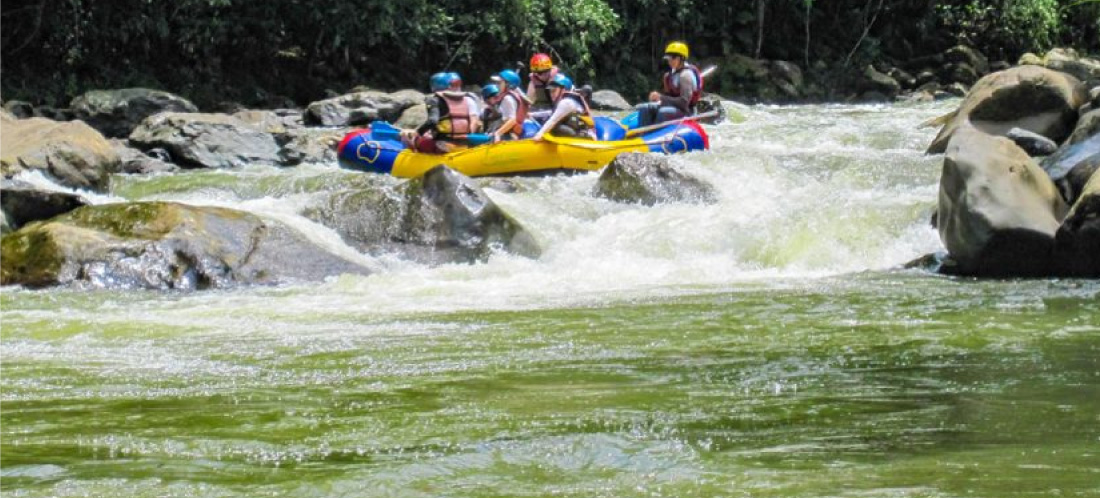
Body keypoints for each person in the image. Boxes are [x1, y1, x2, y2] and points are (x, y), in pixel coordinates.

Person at [400, 72, 482, 153]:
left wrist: (417, 132)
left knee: (413, 139)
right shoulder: (468, 100)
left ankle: (409, 157)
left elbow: (432, 121)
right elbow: (474, 122)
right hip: (464, 144)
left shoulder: (434, 100)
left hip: (443, 146)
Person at [635, 41, 703, 127]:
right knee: (644, 107)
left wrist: (661, 97)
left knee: (663, 112)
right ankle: (643, 133)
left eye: (673, 58)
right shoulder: (668, 76)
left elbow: (684, 103)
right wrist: (657, 99)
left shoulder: (686, 76)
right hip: (673, 107)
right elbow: (668, 97)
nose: (670, 61)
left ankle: (657, 133)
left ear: (681, 58)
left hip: (686, 111)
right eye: (669, 58)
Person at [532, 73, 594, 141]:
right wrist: (531, 115)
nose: (551, 94)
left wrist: (538, 136)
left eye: (554, 90)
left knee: (554, 126)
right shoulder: (567, 101)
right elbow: (552, 113)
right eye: (550, 91)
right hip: (577, 132)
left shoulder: (567, 102)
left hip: (581, 137)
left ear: (563, 90)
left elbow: (553, 120)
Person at [485, 70, 531, 141]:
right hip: (509, 133)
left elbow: (512, 120)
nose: (496, 85)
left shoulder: (507, 98)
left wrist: (498, 133)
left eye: (499, 83)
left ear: (508, 85)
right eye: (496, 83)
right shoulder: (510, 96)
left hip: (509, 135)